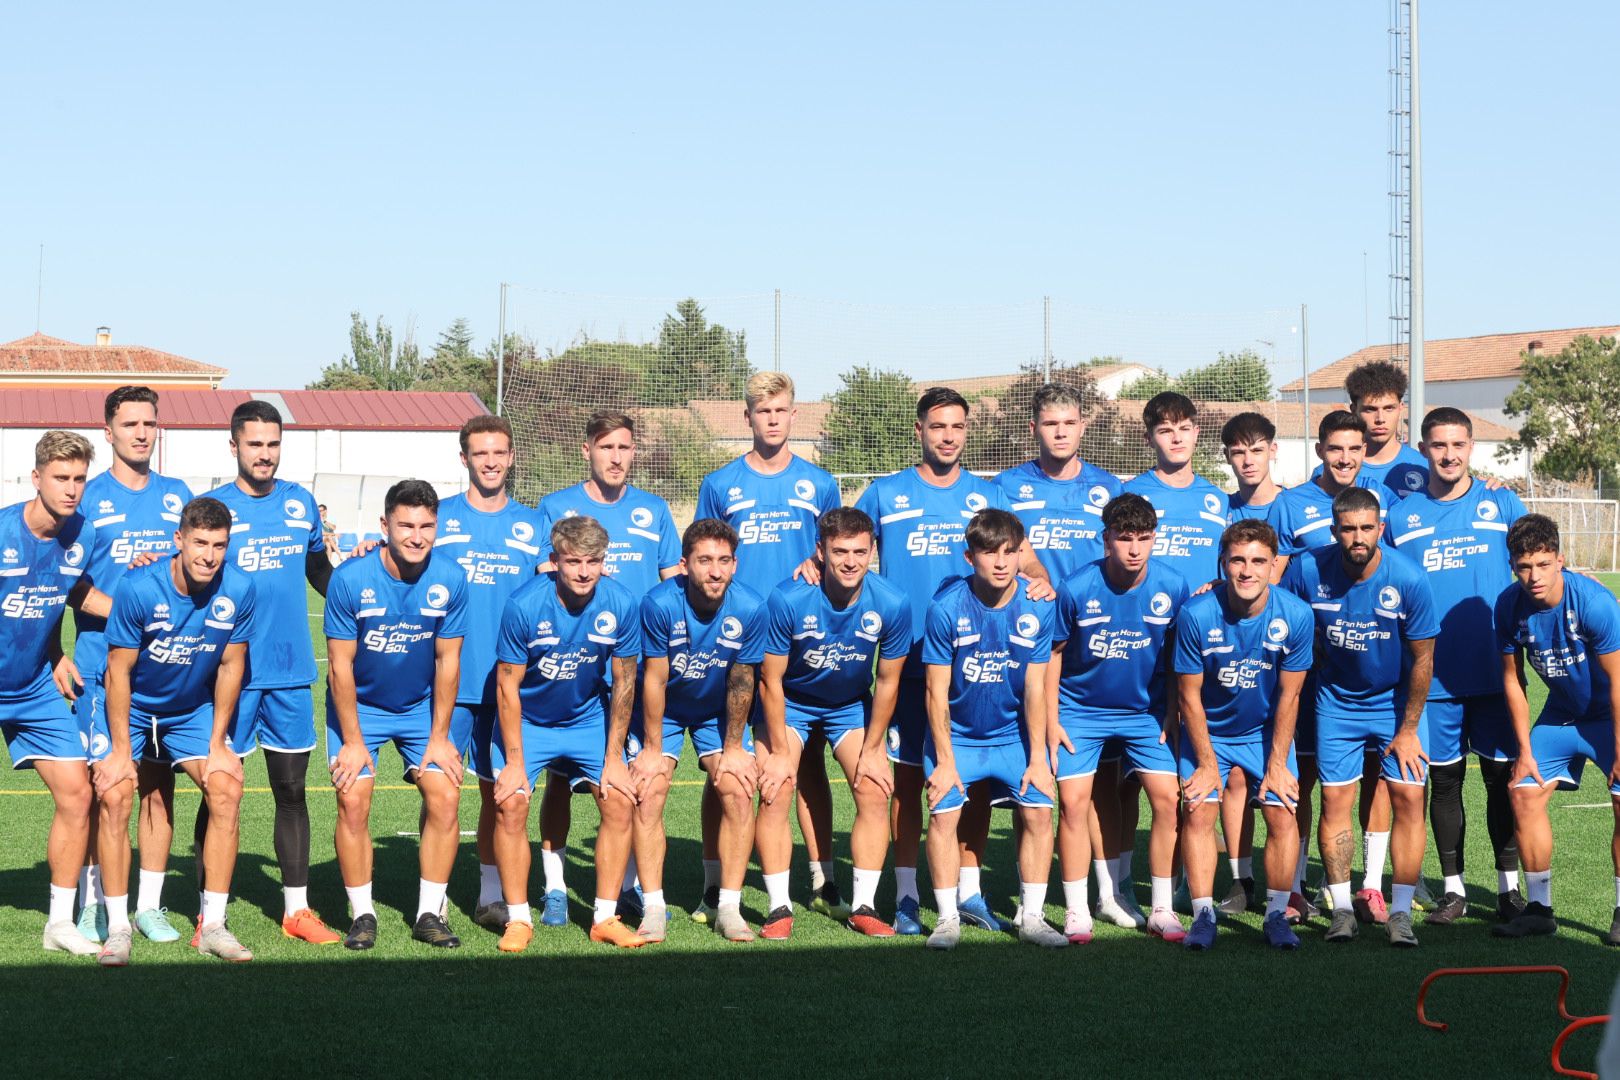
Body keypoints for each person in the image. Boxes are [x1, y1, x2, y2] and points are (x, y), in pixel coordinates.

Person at [852, 387, 1048, 935]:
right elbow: (844, 542)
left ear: (967, 431)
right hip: (908, 662)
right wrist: (805, 567)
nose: (948, 436)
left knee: (974, 785)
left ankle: (970, 891)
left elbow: (1025, 559)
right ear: (919, 430)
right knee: (913, 783)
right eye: (937, 426)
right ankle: (909, 895)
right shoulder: (886, 492)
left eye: (957, 427)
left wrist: (1043, 587)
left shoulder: (986, 495)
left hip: (974, 661)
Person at [695, 371, 845, 922]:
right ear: (748, 418)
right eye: (763, 412)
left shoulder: (819, 483)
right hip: (733, 643)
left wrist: (817, 562)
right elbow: (706, 553)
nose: (773, 420)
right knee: (727, 763)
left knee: (803, 766)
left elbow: (833, 548)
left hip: (799, 640)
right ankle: (714, 883)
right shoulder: (720, 484)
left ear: (794, 415)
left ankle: (824, 876)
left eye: (781, 411)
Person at [94, 496, 256, 964]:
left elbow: (231, 665)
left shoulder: (239, 589)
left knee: (226, 787)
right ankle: (118, 926)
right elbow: (118, 672)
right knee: (118, 790)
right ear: (178, 540)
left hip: (189, 711)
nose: (209, 555)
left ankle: (214, 925)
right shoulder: (139, 588)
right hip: (136, 707)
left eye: (219, 545)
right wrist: (122, 750)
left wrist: (218, 743)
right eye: (200, 543)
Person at [534, 410, 680, 924]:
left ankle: (629, 886)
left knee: (631, 779)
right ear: (587, 451)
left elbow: (669, 585)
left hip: (635, 668)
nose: (615, 457)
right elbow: (542, 582)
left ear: (633, 452)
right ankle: (554, 885)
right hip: (574, 665)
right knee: (559, 780)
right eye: (605, 447)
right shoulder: (556, 507)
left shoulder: (655, 510)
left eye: (624, 447)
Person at [205, 400, 341, 944]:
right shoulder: (212, 507)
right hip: (227, 675)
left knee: (291, 793)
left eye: (273, 444)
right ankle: (211, 911)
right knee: (222, 794)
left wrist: (364, 584)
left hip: (288, 671)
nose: (265, 454)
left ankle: (296, 911)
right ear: (233, 445)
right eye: (255, 443)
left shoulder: (299, 503)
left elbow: (318, 570)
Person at [1280, 486, 1437, 947]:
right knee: (1334, 803)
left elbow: (1425, 659)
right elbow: (1281, 617)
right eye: (1348, 529)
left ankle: (1402, 911)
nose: (1358, 537)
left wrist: (1408, 729)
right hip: (1337, 703)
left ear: (1380, 530)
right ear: (1334, 531)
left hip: (1394, 704)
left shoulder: (1408, 578)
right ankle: (1342, 908)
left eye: (1367, 528)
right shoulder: (1308, 569)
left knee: (1409, 798)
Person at [1389, 407, 1527, 925]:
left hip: (1496, 674)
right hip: (1432, 681)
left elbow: (1537, 564)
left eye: (1458, 445)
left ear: (1472, 448)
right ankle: (1452, 889)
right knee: (1443, 785)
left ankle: (1509, 888)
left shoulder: (1501, 501)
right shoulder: (1402, 516)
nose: (1449, 455)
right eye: (1438, 446)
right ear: (1422, 449)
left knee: (1499, 781)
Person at [1266, 409, 1403, 920]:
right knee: (1302, 776)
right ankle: (1298, 881)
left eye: (1355, 449)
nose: (1345, 459)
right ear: (1320, 450)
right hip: (1314, 674)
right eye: (1335, 449)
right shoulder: (1290, 502)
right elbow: (1277, 579)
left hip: (1368, 668)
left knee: (1379, 779)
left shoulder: (1380, 497)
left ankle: (1367, 884)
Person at [70, 386, 194, 945]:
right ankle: (96, 902)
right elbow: (71, 587)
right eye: (130, 424)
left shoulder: (178, 495)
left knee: (157, 791)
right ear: (108, 432)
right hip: (103, 670)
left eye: (149, 423)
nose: (141, 433)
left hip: (165, 674)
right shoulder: (87, 497)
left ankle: (150, 905)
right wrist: (133, 614)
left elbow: (191, 570)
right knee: (109, 788)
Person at [486, 515, 645, 950]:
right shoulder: (525, 605)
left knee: (619, 802)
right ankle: (518, 919)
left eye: (593, 561)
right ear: (554, 560)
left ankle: (605, 917)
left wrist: (615, 756)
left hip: (587, 721)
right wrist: (516, 761)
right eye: (573, 561)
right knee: (511, 805)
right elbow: (507, 687)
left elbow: (625, 683)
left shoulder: (621, 603)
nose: (583, 571)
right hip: (530, 722)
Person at [324, 480, 468, 950]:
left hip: (420, 709)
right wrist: (352, 740)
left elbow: (449, 661)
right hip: (359, 709)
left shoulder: (450, 577)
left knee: (445, 795)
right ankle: (361, 914)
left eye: (427, 526)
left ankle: (430, 911)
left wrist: (440, 737)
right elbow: (339, 668)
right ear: (385, 525)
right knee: (353, 799)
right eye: (406, 525)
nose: (416, 536)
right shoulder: (350, 579)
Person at [756, 507, 911, 938]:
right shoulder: (788, 597)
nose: (850, 561)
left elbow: (887, 680)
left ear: (872, 550)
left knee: (876, 788)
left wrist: (876, 748)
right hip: (792, 703)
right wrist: (782, 752)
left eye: (860, 551)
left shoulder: (892, 602)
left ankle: (863, 904)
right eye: (839, 550)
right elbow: (770, 680)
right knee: (776, 788)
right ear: (820, 551)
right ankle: (778, 907)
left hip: (847, 706)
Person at [1047, 493, 1189, 943]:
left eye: (1144, 539)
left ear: (1154, 539)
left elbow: (1178, 656)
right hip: (1080, 711)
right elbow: (1053, 654)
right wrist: (1051, 718)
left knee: (1167, 799)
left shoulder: (1173, 586)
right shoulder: (1076, 587)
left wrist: (1171, 710)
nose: (1134, 549)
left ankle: (1163, 907)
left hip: (1146, 714)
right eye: (1124, 538)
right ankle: (1076, 910)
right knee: (1072, 803)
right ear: (1105, 538)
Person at [922, 508, 1065, 950]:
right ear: (970, 557)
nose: (1001, 562)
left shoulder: (1038, 606)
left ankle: (1033, 918)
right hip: (959, 738)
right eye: (989, 553)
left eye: (1010, 552)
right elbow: (934, 691)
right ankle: (947, 920)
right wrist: (945, 762)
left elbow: (1036, 688)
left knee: (1040, 812)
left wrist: (1039, 759)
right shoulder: (946, 607)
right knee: (944, 816)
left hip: (1012, 738)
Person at [1174, 519, 1313, 950]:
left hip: (1264, 732)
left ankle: (1275, 914)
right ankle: (1202, 915)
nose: (1247, 570)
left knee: (1283, 810)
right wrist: (1207, 763)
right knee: (1197, 810)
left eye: (1258, 561)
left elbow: (1290, 697)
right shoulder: (1195, 615)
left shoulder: (1296, 615)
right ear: (1223, 563)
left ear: (1274, 565)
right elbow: (1189, 698)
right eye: (1237, 560)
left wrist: (1276, 765)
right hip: (1208, 732)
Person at [433, 417, 547, 935]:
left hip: (510, 686)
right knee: (442, 794)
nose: (491, 462)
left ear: (512, 456)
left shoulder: (534, 523)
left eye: (499, 452)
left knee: (495, 793)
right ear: (464, 459)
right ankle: (430, 902)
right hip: (451, 683)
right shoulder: (440, 518)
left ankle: (489, 896)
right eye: (481, 453)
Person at [2, 432, 111, 955]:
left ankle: (59, 924)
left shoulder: (84, 534)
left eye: (79, 479)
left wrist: (145, 614)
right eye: (61, 478)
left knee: (78, 793)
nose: (71, 489)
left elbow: (73, 592)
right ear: (36, 479)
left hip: (33, 690)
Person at [633, 519, 767, 941]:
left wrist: (732, 749)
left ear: (735, 564)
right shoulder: (659, 604)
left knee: (738, 786)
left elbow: (743, 682)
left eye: (724, 561)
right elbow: (653, 680)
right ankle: (652, 906)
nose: (715, 571)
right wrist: (653, 749)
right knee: (649, 788)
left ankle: (728, 905)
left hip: (716, 711)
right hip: (665, 710)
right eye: (704, 560)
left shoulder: (750, 606)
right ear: (684, 564)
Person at [1493, 515, 1620, 943]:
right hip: (1562, 714)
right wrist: (1525, 750)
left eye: (1543, 564)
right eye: (1524, 566)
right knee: (1522, 792)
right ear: (1512, 565)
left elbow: (1619, 683)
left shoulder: (1595, 604)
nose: (1534, 576)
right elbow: (1514, 680)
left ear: (1560, 560)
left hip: (1610, 717)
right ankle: (1539, 908)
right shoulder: (1509, 606)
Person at [1210, 411, 1285, 918]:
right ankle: (1241, 880)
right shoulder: (1220, 509)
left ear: (1273, 451)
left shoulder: (1302, 503)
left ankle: (1295, 883)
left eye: (1256, 449)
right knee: (1236, 779)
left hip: (1295, 651)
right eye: (1238, 451)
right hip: (1234, 655)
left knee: (1296, 782)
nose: (1247, 460)